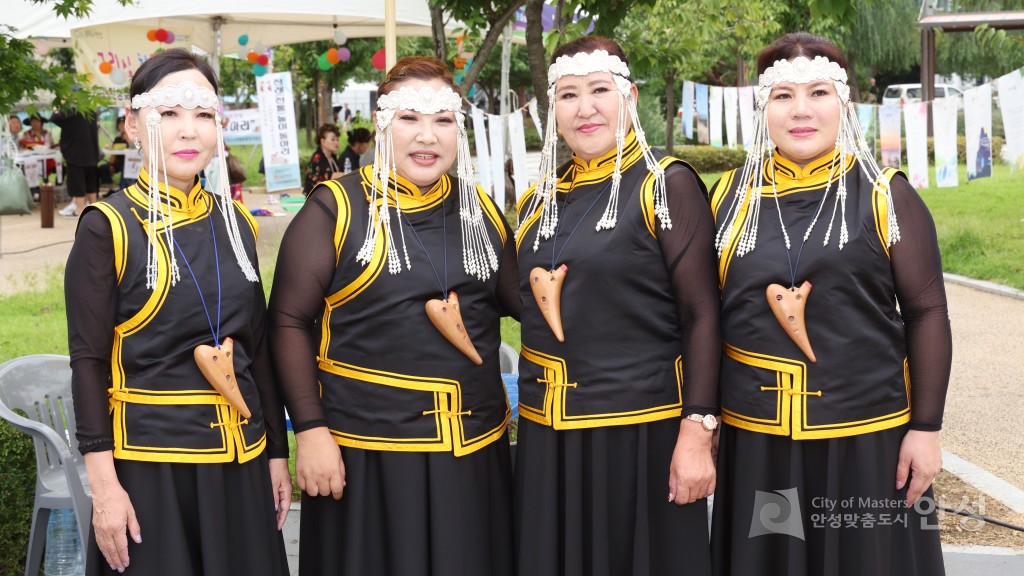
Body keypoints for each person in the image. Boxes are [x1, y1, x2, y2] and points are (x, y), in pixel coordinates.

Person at [708, 32, 950, 575]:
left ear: (844, 103)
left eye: (818, 92)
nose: (801, 111)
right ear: (762, 107)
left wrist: (927, 428)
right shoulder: (727, 197)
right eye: (783, 96)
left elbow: (927, 311)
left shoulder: (885, 193)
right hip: (759, 444)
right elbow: (706, 315)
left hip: (868, 442)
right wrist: (704, 420)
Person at [268, 55, 519, 576]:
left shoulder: (480, 210)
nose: (426, 136)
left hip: (473, 455)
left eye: (442, 120)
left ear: (459, 129)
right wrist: (310, 431)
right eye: (409, 118)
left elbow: (525, 305)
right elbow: (288, 321)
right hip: (367, 458)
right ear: (383, 125)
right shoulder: (335, 209)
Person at [65, 48, 291, 575]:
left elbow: (257, 352)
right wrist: (105, 489)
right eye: (169, 114)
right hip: (154, 473)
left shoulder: (237, 222)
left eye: (203, 115)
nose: (189, 131)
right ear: (133, 126)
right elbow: (88, 362)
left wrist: (277, 455)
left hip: (241, 459)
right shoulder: (107, 226)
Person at [514, 36, 720, 576]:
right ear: (551, 111)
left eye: (599, 90)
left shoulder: (665, 185)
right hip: (547, 437)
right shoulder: (539, 200)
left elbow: (702, 314)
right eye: (568, 95)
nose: (585, 109)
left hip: (639, 433)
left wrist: (697, 434)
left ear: (628, 96)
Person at [50, 108, 101, 218]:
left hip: (75, 154)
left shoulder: (71, 110)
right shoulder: (91, 111)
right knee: (91, 185)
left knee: (78, 184)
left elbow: (54, 118)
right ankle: (96, 210)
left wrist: (58, 108)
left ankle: (79, 210)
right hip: (91, 153)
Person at [302, 123, 342, 195]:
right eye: (332, 139)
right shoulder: (317, 158)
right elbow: (330, 176)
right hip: (316, 197)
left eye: (337, 139)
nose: (336, 142)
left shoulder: (333, 158)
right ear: (322, 141)